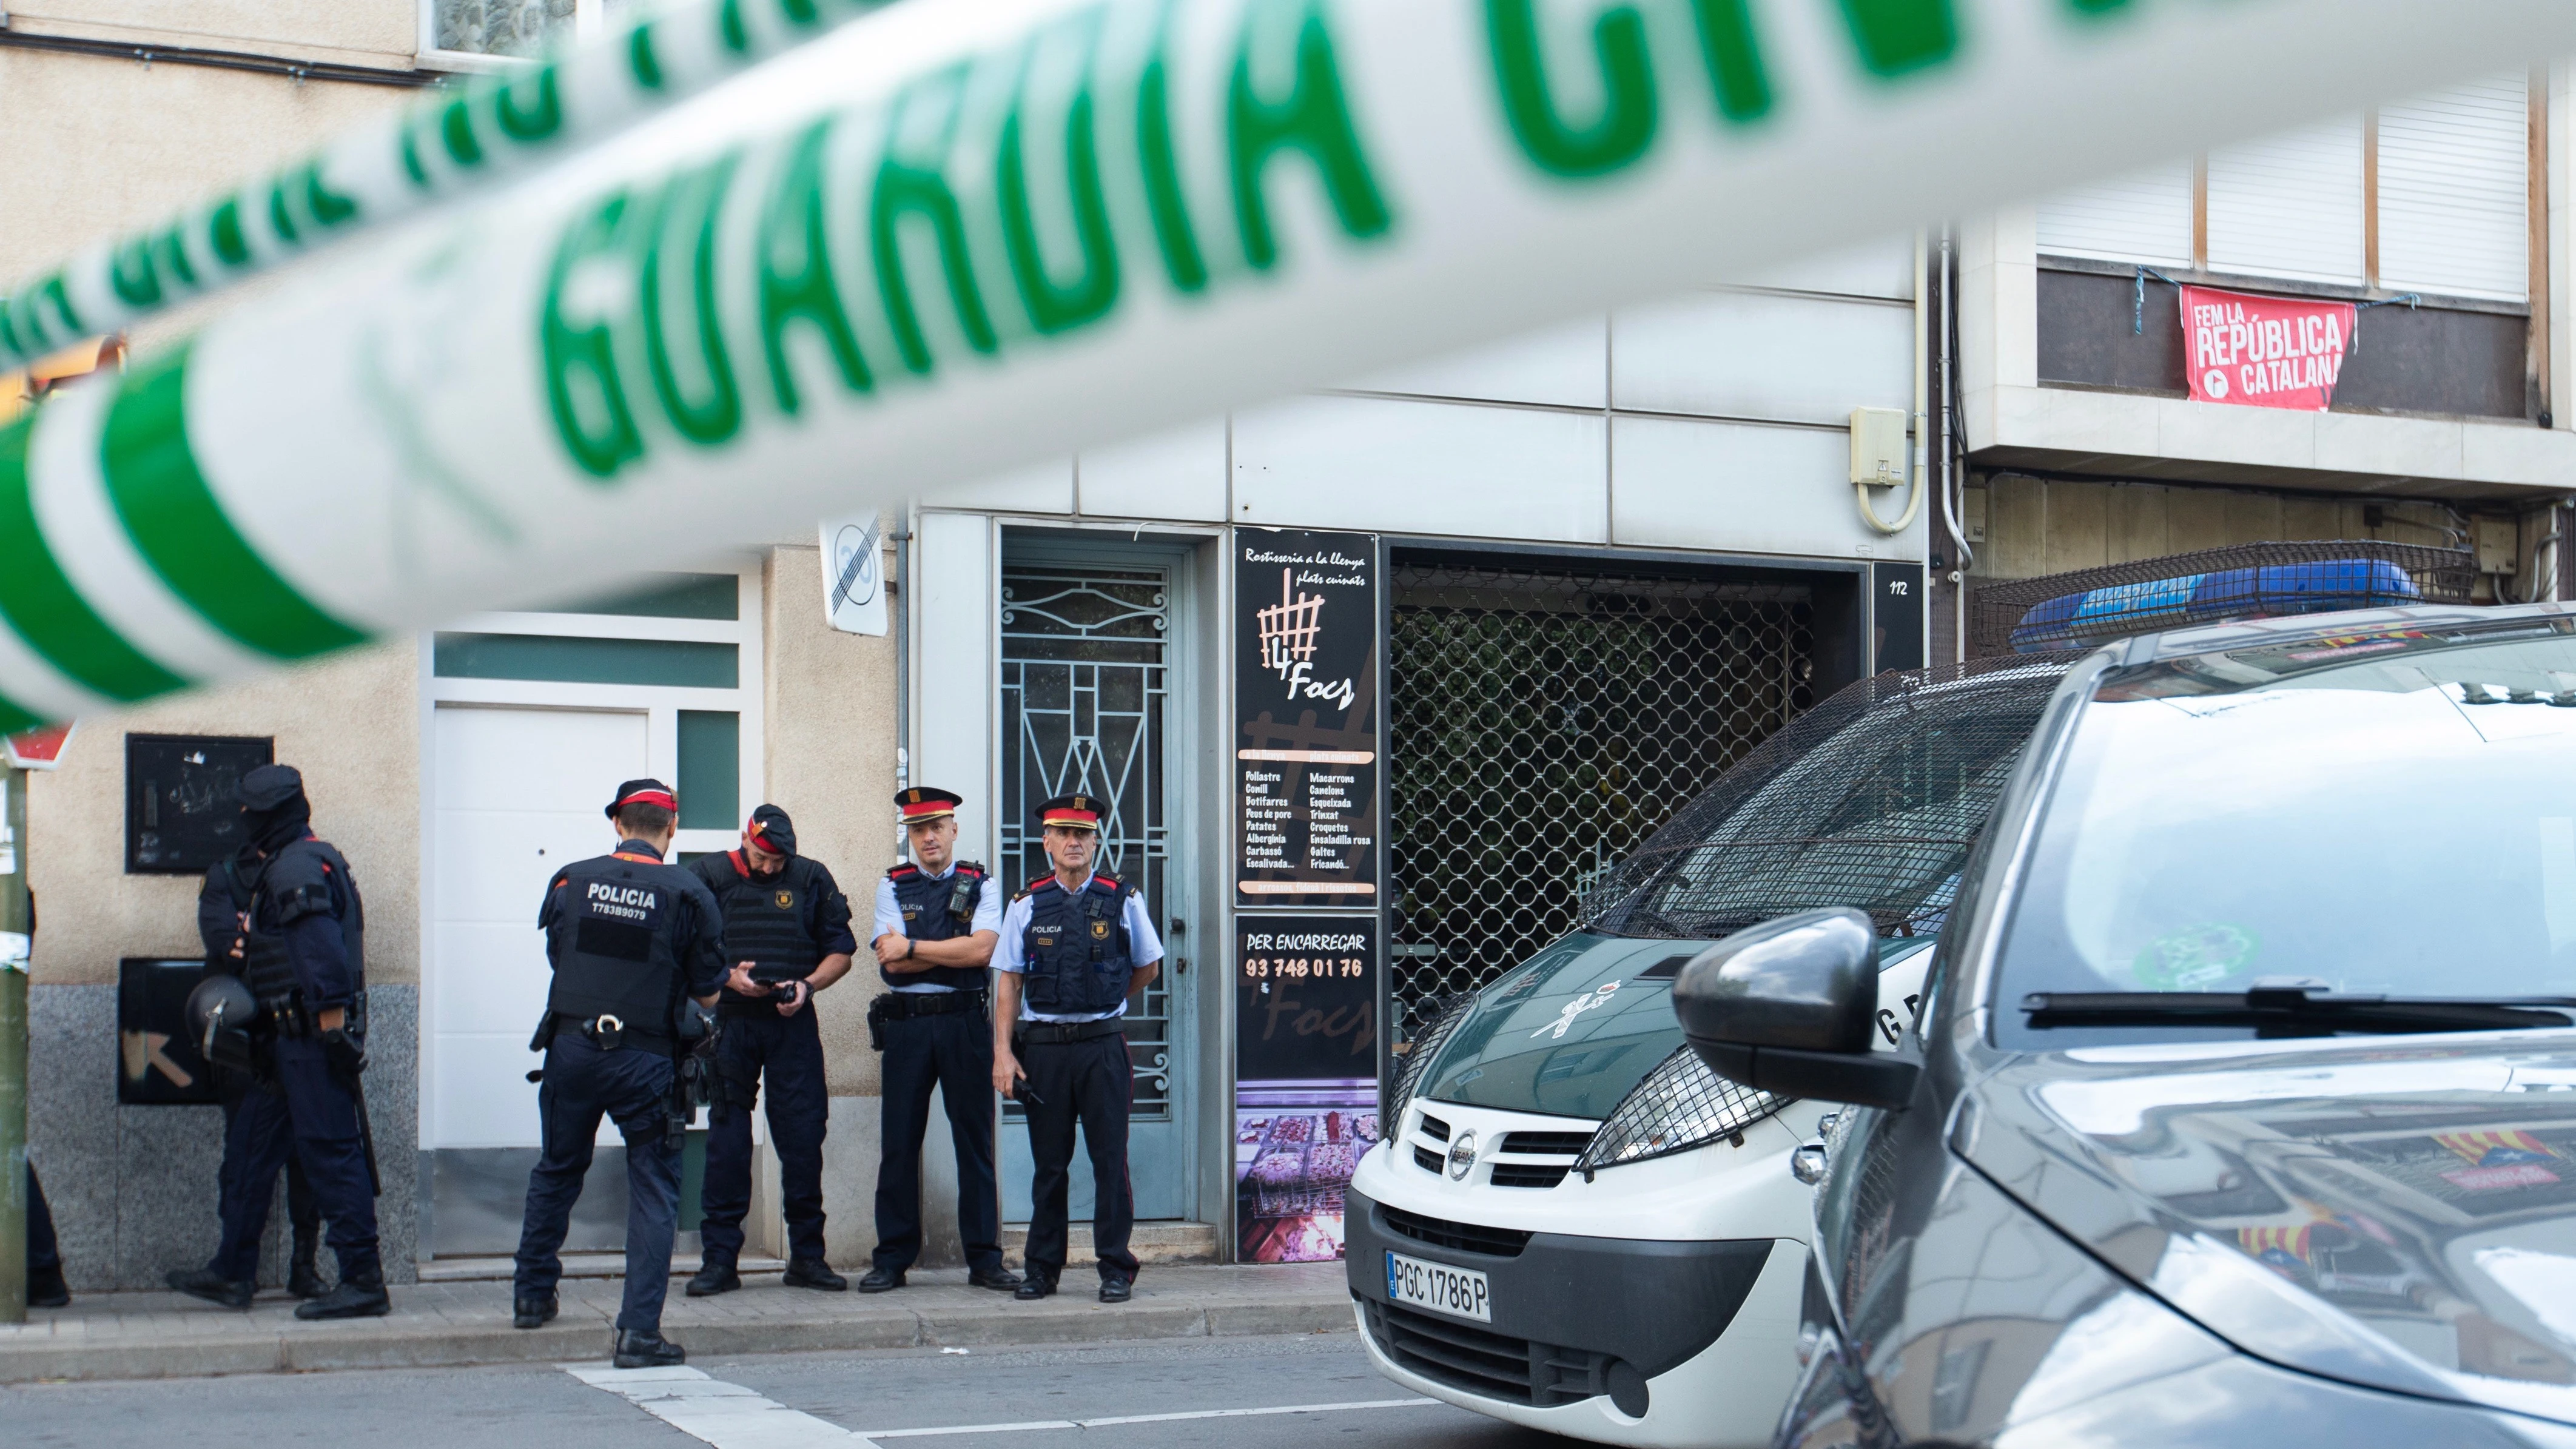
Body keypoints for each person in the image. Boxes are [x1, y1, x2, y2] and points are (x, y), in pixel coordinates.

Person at [514, 779, 725, 1370]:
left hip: (572, 1048)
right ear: (672, 827)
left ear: (617, 823)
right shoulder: (688, 892)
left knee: (556, 1167)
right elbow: (708, 993)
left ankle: (531, 1296)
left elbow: (561, 956)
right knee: (654, 1187)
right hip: (644, 1058)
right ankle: (637, 1333)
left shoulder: (569, 879)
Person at [166, 764, 387, 1320]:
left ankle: (363, 1280)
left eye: (250, 813)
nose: (242, 821)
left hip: (310, 1042)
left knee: (333, 1155)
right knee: (249, 1153)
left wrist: (334, 1035)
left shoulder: (296, 869)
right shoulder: (297, 861)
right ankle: (232, 1272)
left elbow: (322, 959)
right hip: (280, 1044)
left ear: (270, 818)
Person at [990, 793, 1162, 1303]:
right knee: (1049, 1164)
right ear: (1046, 842)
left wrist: (1105, 997)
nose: (1073, 842)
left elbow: (1147, 965)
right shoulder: (1025, 904)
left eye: (1082, 834)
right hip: (1043, 1051)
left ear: (1094, 841)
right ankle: (1041, 1269)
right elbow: (1009, 983)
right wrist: (1003, 1053)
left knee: (1110, 1161)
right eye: (1063, 833)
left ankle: (1114, 1267)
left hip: (1101, 1047)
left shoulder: (1122, 897)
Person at [684, 804, 856, 1297]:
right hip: (732, 1024)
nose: (768, 868)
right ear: (745, 838)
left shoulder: (810, 877)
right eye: (761, 857)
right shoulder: (708, 876)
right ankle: (719, 1262)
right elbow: (685, 950)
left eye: (777, 861)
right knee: (728, 1145)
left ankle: (807, 1257)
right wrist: (726, 979)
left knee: (802, 1140)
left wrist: (807, 985)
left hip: (791, 1023)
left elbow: (840, 951)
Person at [858, 787, 1018, 1294]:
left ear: (953, 829)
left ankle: (985, 1259)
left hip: (963, 1022)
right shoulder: (892, 884)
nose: (927, 836)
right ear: (909, 836)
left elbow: (984, 951)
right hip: (906, 1025)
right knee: (899, 1143)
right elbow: (890, 960)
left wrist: (914, 945)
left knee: (974, 1144)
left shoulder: (982, 883)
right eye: (917, 829)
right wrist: (940, 949)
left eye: (936, 826)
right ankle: (891, 1259)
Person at [195, 836, 326, 1302]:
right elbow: (225, 944)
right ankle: (236, 1267)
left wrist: (256, 938)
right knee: (244, 1159)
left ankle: (303, 1266)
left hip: (302, 1032)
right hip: (247, 1040)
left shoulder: (309, 869)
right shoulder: (226, 875)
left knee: (308, 1161)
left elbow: (321, 946)